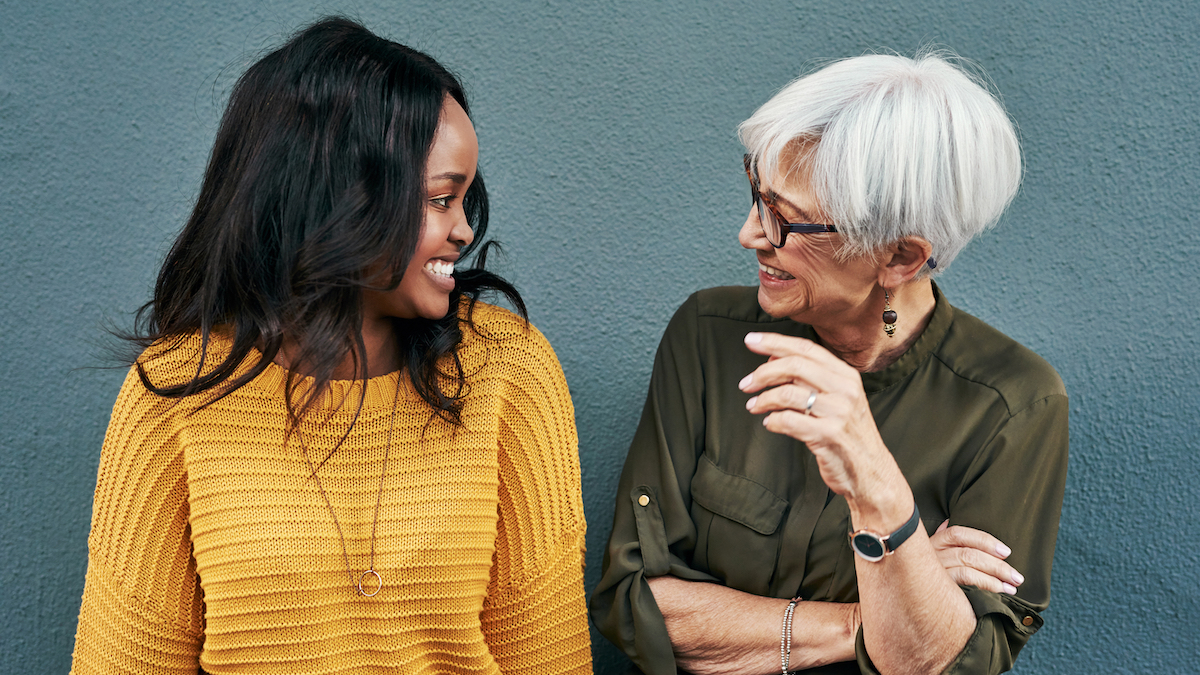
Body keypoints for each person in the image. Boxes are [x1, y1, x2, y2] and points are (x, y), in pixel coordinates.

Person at [70, 18, 591, 675]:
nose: (463, 229)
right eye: (438, 199)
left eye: (465, 198)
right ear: (338, 198)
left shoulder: (506, 367)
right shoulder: (176, 391)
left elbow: (549, 657)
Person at [590, 50, 1068, 675]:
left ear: (900, 257)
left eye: (786, 221)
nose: (751, 233)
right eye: (758, 196)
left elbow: (947, 666)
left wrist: (876, 486)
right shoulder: (708, 338)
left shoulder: (1012, 408)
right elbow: (636, 604)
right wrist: (884, 598)